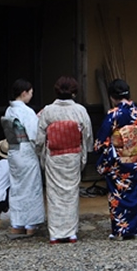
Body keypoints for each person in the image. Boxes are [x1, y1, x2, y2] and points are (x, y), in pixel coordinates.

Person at [36, 76, 93, 244]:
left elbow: (40, 139)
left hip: (54, 157)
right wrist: (85, 152)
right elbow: (87, 135)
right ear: (74, 93)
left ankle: (55, 233)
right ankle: (71, 233)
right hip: (73, 155)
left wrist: (40, 152)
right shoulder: (80, 110)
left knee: (54, 194)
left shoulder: (48, 111)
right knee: (71, 193)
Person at [94, 79, 137, 240]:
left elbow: (101, 141)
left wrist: (102, 150)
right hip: (134, 158)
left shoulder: (113, 114)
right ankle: (134, 227)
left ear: (112, 96)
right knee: (134, 192)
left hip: (117, 161)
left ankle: (120, 230)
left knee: (118, 194)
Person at [1, 79, 44, 236]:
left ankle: (17, 224)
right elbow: (34, 134)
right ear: (24, 93)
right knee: (31, 187)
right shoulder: (26, 111)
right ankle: (30, 225)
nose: (31, 96)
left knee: (17, 188)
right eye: (30, 93)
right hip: (26, 151)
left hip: (14, 151)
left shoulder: (9, 110)